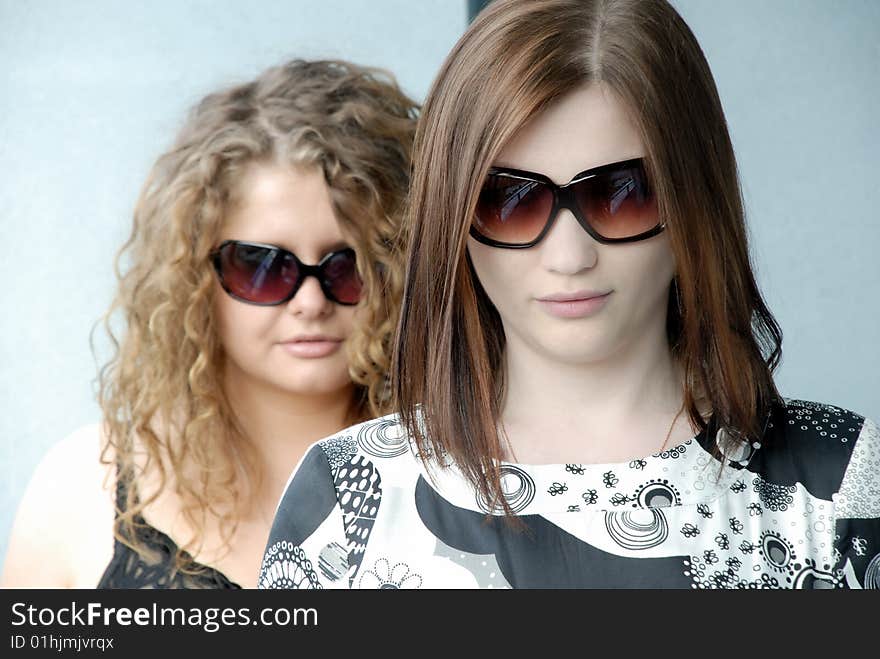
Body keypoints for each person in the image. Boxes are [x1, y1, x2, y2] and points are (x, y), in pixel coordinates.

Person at [259, 0, 879, 589]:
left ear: (696, 198)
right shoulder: (347, 497)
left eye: (622, 194)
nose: (569, 256)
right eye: (508, 200)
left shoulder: (836, 486)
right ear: (452, 216)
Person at [2, 59, 417, 588]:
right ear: (193, 278)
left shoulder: (471, 487)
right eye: (265, 266)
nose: (311, 302)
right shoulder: (83, 486)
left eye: (350, 265)